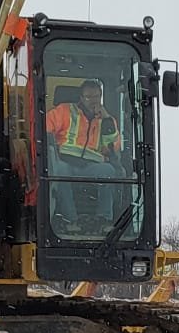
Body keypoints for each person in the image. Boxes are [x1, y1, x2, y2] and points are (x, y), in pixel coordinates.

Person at [45, 79, 122, 235]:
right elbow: (44, 127)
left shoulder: (107, 120)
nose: (93, 101)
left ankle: (104, 219)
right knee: (59, 171)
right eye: (89, 97)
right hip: (66, 162)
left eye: (97, 96)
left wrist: (106, 119)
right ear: (80, 98)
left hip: (91, 166)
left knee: (108, 171)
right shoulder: (64, 111)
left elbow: (114, 146)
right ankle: (70, 219)